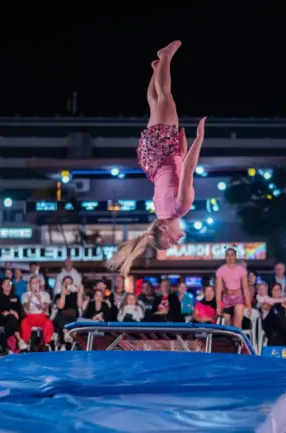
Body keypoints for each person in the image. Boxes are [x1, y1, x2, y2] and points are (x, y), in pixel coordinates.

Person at [106, 40, 207, 276]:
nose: (176, 241)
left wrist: (199, 137)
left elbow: (190, 168)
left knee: (166, 99)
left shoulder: (180, 208)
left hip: (162, 152)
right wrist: (181, 150)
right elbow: (173, 175)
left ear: (162, 228)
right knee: (156, 103)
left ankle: (165, 57)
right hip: (151, 158)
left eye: (170, 241)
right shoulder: (160, 211)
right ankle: (157, 68)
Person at [215, 248, 251, 329]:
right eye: (228, 255)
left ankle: (238, 341)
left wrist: (248, 304)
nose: (230, 257)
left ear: (235, 256)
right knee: (228, 325)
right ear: (225, 257)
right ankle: (230, 341)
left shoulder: (242, 270)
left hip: (238, 299)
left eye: (232, 255)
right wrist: (218, 306)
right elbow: (218, 290)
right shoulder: (220, 271)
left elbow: (245, 288)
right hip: (227, 300)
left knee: (237, 321)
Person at [0, 278, 28, 352]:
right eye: (5, 283)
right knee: (11, 318)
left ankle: (10, 346)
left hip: (14, 318)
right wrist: (11, 311)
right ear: (1, 286)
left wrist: (11, 312)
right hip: (1, 318)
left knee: (14, 320)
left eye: (10, 283)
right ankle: (19, 340)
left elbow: (19, 308)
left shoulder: (16, 296)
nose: (8, 285)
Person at [20, 275, 54, 349]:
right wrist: (29, 299)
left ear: (39, 284)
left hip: (41, 316)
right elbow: (26, 310)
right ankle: (25, 343)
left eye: (37, 283)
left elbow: (45, 309)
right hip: (30, 316)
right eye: (33, 283)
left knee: (48, 324)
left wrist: (39, 299)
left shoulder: (45, 294)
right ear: (30, 284)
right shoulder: (25, 295)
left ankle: (46, 343)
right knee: (24, 323)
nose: (35, 285)